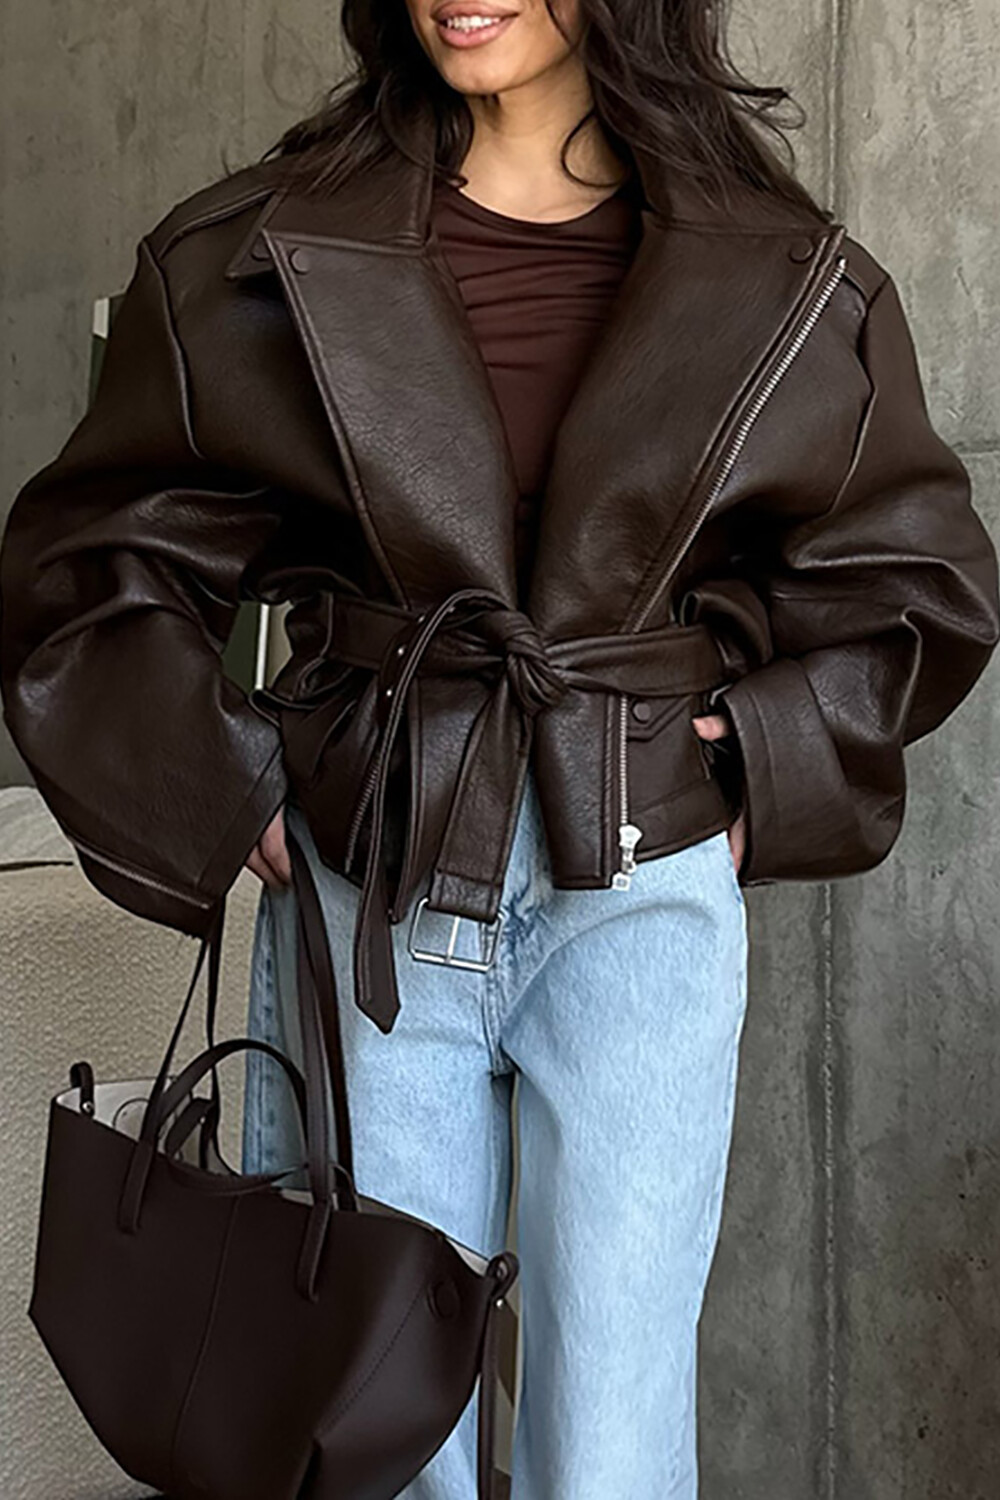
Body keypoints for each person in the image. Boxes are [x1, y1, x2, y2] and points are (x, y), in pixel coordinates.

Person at [1, 2, 997, 1497]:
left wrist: (757, 757)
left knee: (612, 1445)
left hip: (645, 884)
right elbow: (87, 562)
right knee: (371, 1433)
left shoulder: (788, 273)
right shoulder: (256, 252)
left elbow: (916, 584)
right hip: (380, 870)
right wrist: (230, 789)